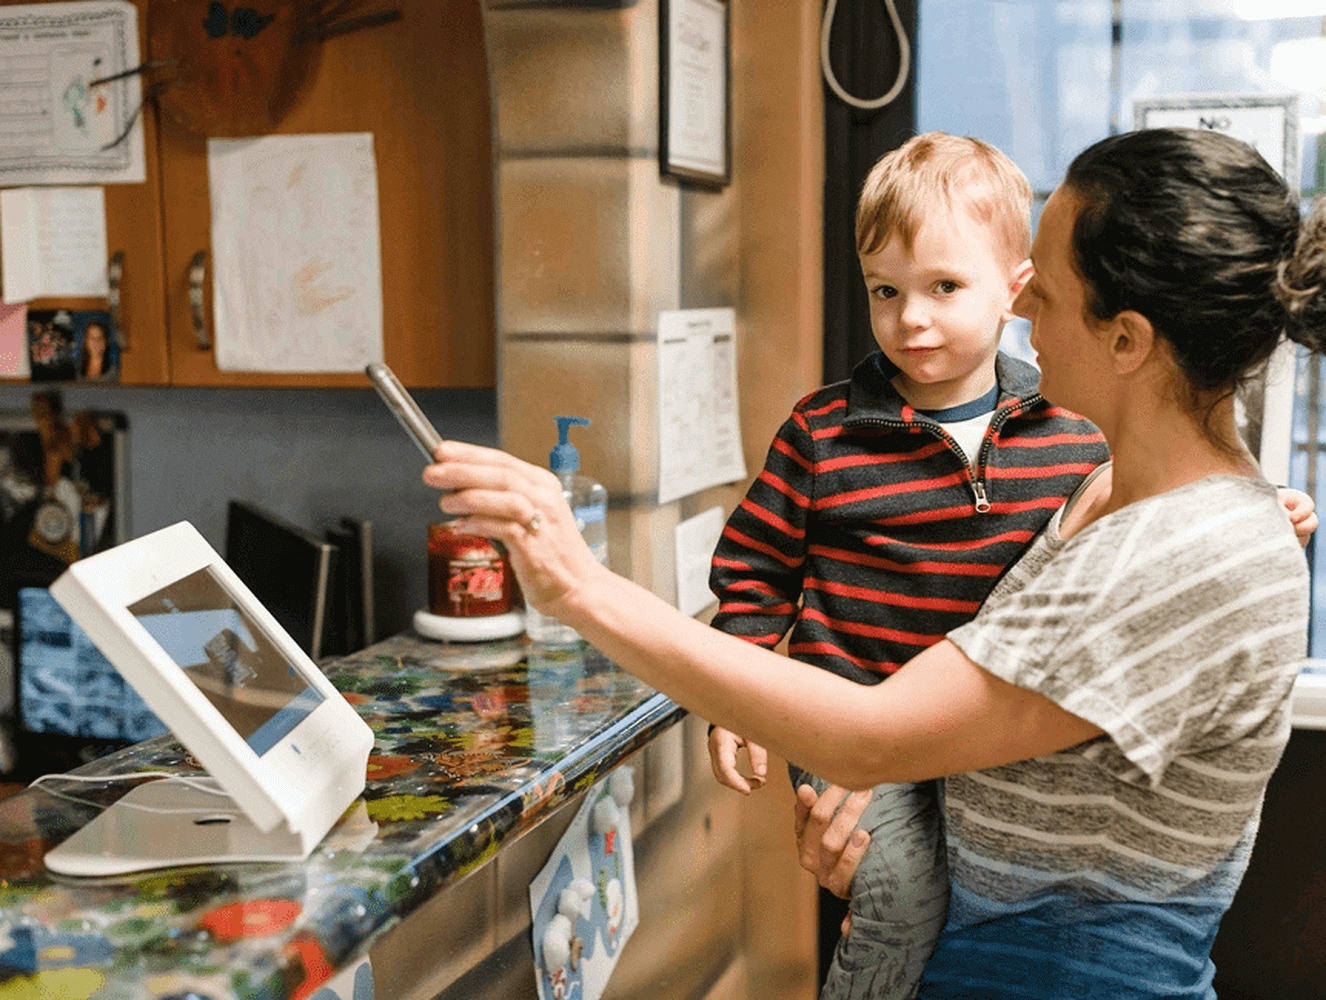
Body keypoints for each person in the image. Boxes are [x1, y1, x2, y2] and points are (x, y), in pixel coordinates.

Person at [423, 127, 1326, 998]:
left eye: (1043, 294)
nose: (1021, 313)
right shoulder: (1110, 492)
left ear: (1126, 340)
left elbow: (872, 735)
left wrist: (578, 586)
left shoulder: (1184, 545)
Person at [705, 132, 1108, 1000]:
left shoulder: (1076, 433)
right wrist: (734, 697)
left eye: (944, 287)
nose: (910, 318)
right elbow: (756, 568)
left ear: (1016, 291)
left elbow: (1149, 508)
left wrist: (1258, 501)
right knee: (898, 897)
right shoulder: (820, 432)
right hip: (851, 724)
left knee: (996, 908)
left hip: (990, 732)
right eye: (885, 291)